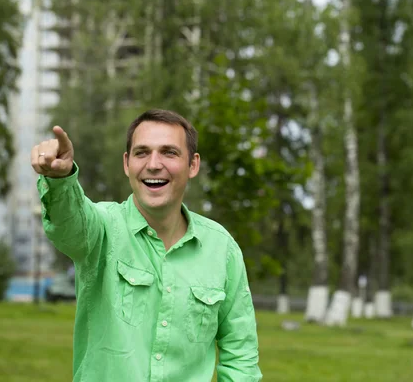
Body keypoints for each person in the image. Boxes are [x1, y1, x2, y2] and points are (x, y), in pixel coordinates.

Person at [31, 109, 262, 381]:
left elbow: (241, 356)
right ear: (127, 163)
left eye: (169, 152)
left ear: (193, 165)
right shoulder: (101, 228)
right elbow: (68, 223)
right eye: (142, 153)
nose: (154, 164)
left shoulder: (221, 248)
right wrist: (61, 179)